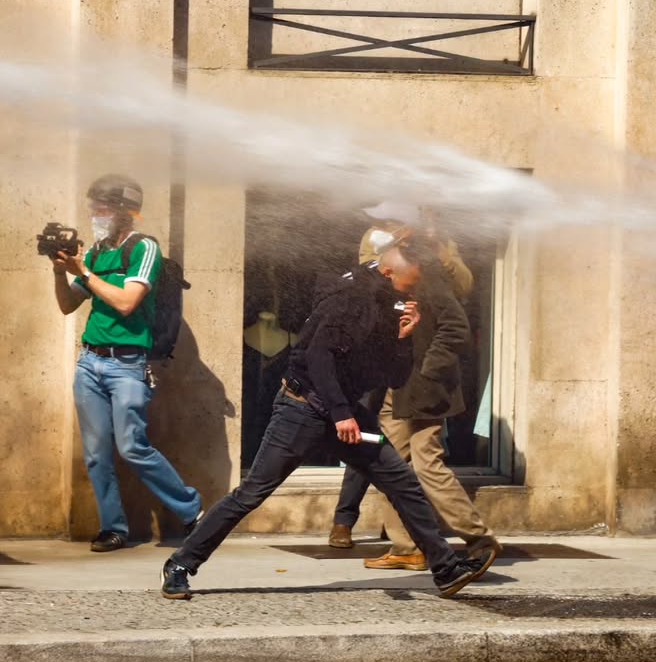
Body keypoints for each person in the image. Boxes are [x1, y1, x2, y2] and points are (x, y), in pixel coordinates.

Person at [159, 243, 495, 599]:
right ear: (387, 274)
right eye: (408, 286)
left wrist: (403, 340)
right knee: (251, 492)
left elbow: (394, 378)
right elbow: (319, 355)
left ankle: (445, 568)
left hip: (347, 414)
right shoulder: (351, 297)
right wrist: (341, 413)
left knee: (401, 481)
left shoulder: (387, 302)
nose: (412, 293)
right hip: (302, 410)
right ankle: (181, 563)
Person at [51, 174, 202, 551]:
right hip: (89, 363)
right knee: (96, 452)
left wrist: (83, 272)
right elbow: (68, 304)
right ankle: (113, 527)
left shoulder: (143, 248)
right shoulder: (96, 251)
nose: (95, 215)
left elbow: (126, 302)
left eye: (101, 208)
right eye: (93, 208)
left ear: (123, 211)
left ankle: (191, 510)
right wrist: (60, 271)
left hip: (127, 365)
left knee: (132, 445)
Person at [330, 250, 500, 567]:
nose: (383, 274)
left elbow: (456, 329)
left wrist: (425, 370)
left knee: (426, 465)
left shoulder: (431, 284)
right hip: (399, 390)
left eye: (387, 270)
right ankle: (406, 547)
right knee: (387, 463)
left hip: (424, 390)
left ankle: (480, 538)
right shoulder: (391, 287)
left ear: (405, 268)